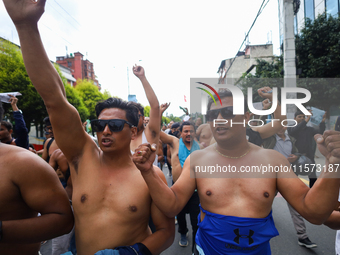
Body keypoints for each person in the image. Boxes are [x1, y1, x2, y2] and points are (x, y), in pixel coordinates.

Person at [3, 2, 175, 255]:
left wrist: (132, 253)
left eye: (115, 126)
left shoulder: (150, 175)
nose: (105, 131)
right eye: (99, 125)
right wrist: (25, 25)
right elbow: (54, 99)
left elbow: (165, 232)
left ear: (133, 131)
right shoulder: (82, 157)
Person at [133, 90, 340, 255]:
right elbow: (171, 206)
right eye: (213, 115)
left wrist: (334, 163)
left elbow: (313, 211)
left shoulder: (272, 160)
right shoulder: (198, 160)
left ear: (247, 117)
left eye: (229, 113)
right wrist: (148, 171)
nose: (220, 119)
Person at [0, 101, 74, 255]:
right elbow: (49, 164)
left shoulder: (22, 162)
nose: (50, 131)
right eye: (49, 128)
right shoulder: (47, 145)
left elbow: (63, 220)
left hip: (54, 191)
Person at [262, 127, 317, 248]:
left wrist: (296, 157)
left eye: (283, 125)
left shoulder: (291, 139)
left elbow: (297, 152)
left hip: (288, 175)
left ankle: (302, 236)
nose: (281, 128)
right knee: (265, 202)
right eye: (278, 125)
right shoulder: (268, 139)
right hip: (271, 176)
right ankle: (258, 229)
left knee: (295, 205)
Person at [129, 66, 160, 167]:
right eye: (130, 116)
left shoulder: (149, 133)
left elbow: (155, 107)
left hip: (150, 182)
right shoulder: (124, 137)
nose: (133, 119)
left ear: (142, 118)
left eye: (136, 116)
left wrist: (142, 78)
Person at [288, 109, 326, 188]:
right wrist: (306, 120)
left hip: (309, 157)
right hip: (295, 158)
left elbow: (320, 133)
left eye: (303, 117)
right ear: (294, 118)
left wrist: (322, 122)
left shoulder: (309, 129)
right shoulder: (291, 128)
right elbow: (293, 131)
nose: (302, 118)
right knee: (294, 178)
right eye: (299, 117)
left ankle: (312, 196)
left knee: (313, 178)